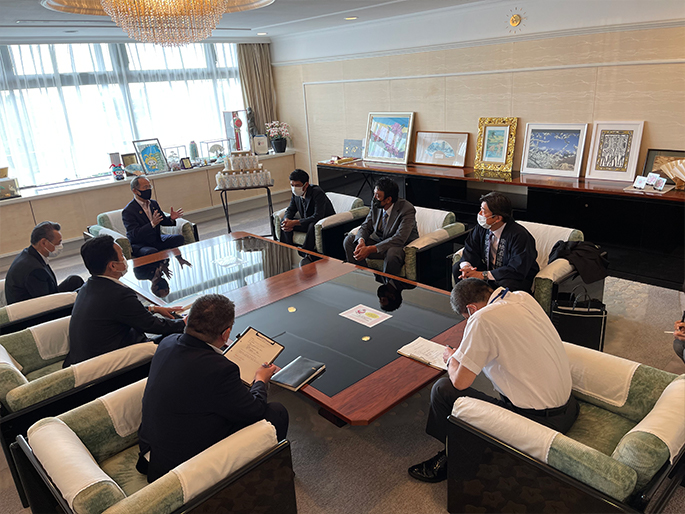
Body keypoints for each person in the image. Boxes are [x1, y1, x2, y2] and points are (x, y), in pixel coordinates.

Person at [408, 278, 579, 483]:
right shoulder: (523, 297)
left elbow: (460, 382)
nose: (468, 321)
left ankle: (453, 455)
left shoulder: (482, 319)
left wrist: (450, 359)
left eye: (466, 318)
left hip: (541, 425)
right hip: (569, 407)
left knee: (442, 389)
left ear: (471, 309)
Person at [137, 294, 289, 482]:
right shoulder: (219, 369)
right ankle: (273, 478)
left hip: (150, 448)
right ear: (226, 334)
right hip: (175, 468)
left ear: (188, 320)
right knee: (276, 412)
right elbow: (255, 410)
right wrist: (260, 380)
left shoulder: (168, 342)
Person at [64, 235, 185, 367]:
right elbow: (152, 325)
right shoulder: (118, 294)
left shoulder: (88, 286)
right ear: (113, 266)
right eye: (122, 255)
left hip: (83, 360)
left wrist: (152, 308)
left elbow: (119, 311)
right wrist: (184, 323)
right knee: (181, 337)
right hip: (109, 366)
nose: (125, 259)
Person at [453, 192, 539, 293]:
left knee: (507, 285)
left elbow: (517, 269)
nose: (479, 214)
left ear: (498, 218)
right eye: (480, 209)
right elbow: (470, 249)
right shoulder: (482, 228)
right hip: (488, 269)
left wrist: (483, 275)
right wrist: (467, 267)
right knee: (457, 269)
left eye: (484, 211)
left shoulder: (520, 236)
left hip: (513, 276)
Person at [344, 177, 419, 277]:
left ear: (388, 199)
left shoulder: (406, 209)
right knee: (349, 240)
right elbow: (366, 225)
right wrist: (361, 241)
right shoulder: (376, 204)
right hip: (381, 243)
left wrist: (370, 249)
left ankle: (387, 284)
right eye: (374, 194)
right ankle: (361, 276)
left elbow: (399, 238)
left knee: (392, 253)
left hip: (399, 247)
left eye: (378, 196)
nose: (374, 198)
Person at [4, 221, 84, 304]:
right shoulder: (34, 270)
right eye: (58, 243)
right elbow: (47, 304)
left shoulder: (29, 253)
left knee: (75, 281)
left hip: (42, 296)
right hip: (38, 309)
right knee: (81, 295)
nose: (60, 246)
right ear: (43, 243)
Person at [280, 169, 335, 265]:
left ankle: (307, 254)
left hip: (322, 224)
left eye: (297, 185)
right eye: (292, 185)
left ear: (306, 185)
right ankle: (287, 250)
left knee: (312, 225)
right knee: (283, 222)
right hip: (306, 221)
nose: (294, 188)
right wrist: (287, 220)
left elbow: (318, 216)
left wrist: (295, 222)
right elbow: (291, 209)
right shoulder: (296, 194)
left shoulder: (317, 192)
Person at [122, 176, 185, 257]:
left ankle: (175, 261)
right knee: (151, 252)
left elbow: (162, 221)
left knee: (179, 238)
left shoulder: (153, 203)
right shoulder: (128, 211)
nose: (148, 189)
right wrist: (152, 224)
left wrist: (171, 218)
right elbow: (135, 234)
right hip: (141, 244)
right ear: (135, 191)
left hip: (156, 239)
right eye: (145, 187)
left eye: (149, 186)